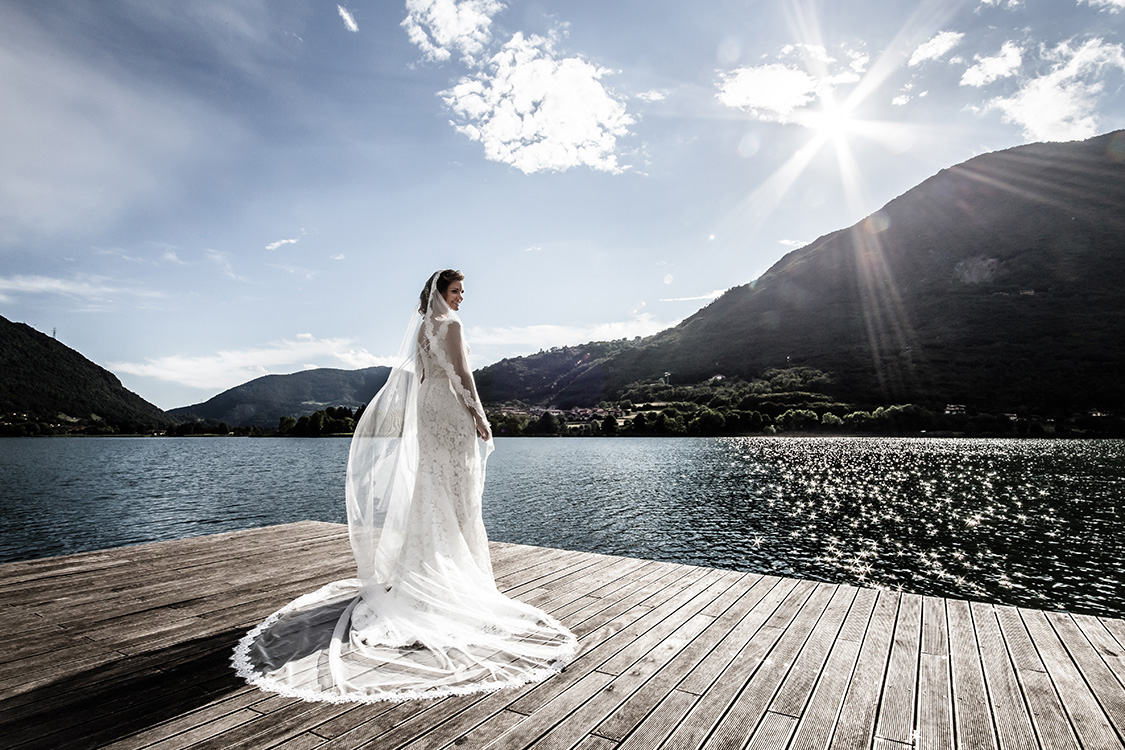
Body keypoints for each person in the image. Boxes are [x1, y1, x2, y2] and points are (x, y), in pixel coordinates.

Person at [232, 269, 577, 703]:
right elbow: (463, 374)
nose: (461, 298)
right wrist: (480, 416)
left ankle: (422, 571)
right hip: (449, 407)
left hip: (427, 408)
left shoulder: (422, 327)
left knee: (432, 487)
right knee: (457, 488)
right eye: (456, 291)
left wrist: (425, 416)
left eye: (463, 292)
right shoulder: (451, 324)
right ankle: (454, 575)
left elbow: (420, 377)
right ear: (441, 293)